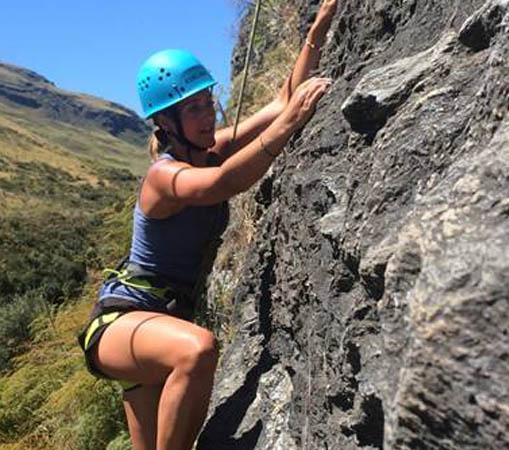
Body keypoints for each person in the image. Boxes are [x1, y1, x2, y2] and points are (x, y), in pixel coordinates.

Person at [77, 2, 339, 449]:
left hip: (160, 324)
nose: (207, 116)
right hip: (121, 324)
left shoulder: (208, 148)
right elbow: (222, 182)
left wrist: (317, 31)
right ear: (166, 121)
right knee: (198, 350)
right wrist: (293, 121)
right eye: (192, 109)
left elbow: (279, 102)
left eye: (207, 102)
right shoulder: (164, 176)